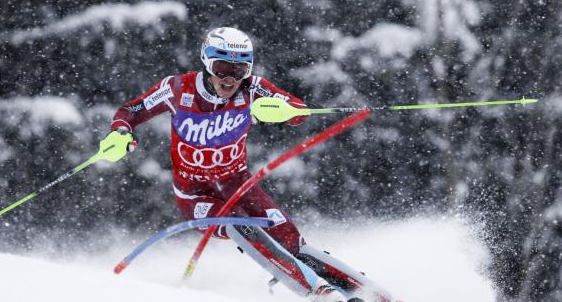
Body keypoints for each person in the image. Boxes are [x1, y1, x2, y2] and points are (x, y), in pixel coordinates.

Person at [106, 27, 375, 302]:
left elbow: (298, 111)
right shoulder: (177, 88)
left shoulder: (253, 88)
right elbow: (130, 111)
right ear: (206, 62)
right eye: (221, 67)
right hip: (195, 194)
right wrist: (120, 131)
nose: (230, 77)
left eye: (239, 69)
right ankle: (319, 293)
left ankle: (370, 293)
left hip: (237, 183)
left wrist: (287, 111)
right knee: (240, 225)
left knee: (290, 240)